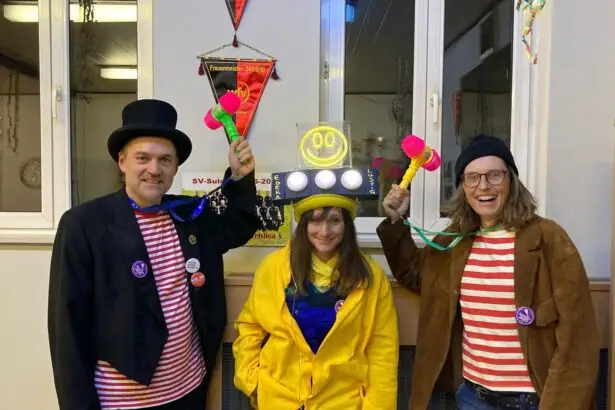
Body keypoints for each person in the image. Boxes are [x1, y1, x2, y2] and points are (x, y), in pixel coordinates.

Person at [48, 99, 260, 410]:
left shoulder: (189, 213)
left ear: (175, 167)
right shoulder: (84, 224)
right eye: (142, 158)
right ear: (122, 162)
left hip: (188, 389)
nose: (154, 169)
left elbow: (239, 226)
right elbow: (67, 327)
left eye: (165, 160)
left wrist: (240, 177)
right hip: (120, 401)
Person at [377, 134, 599, 410]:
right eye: (472, 177)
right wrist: (396, 221)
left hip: (533, 401)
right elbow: (413, 274)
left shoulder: (549, 238)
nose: (483, 186)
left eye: (494, 175)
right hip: (473, 398)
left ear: (511, 181)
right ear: (462, 186)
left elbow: (578, 338)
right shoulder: (455, 240)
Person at [232, 193, 399, 409]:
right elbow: (250, 326)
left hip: (342, 402)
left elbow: (382, 350)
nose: (325, 231)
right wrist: (251, 380)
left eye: (335, 220)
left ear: (347, 225)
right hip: (279, 399)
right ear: (304, 224)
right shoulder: (272, 268)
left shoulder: (371, 276)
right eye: (316, 220)